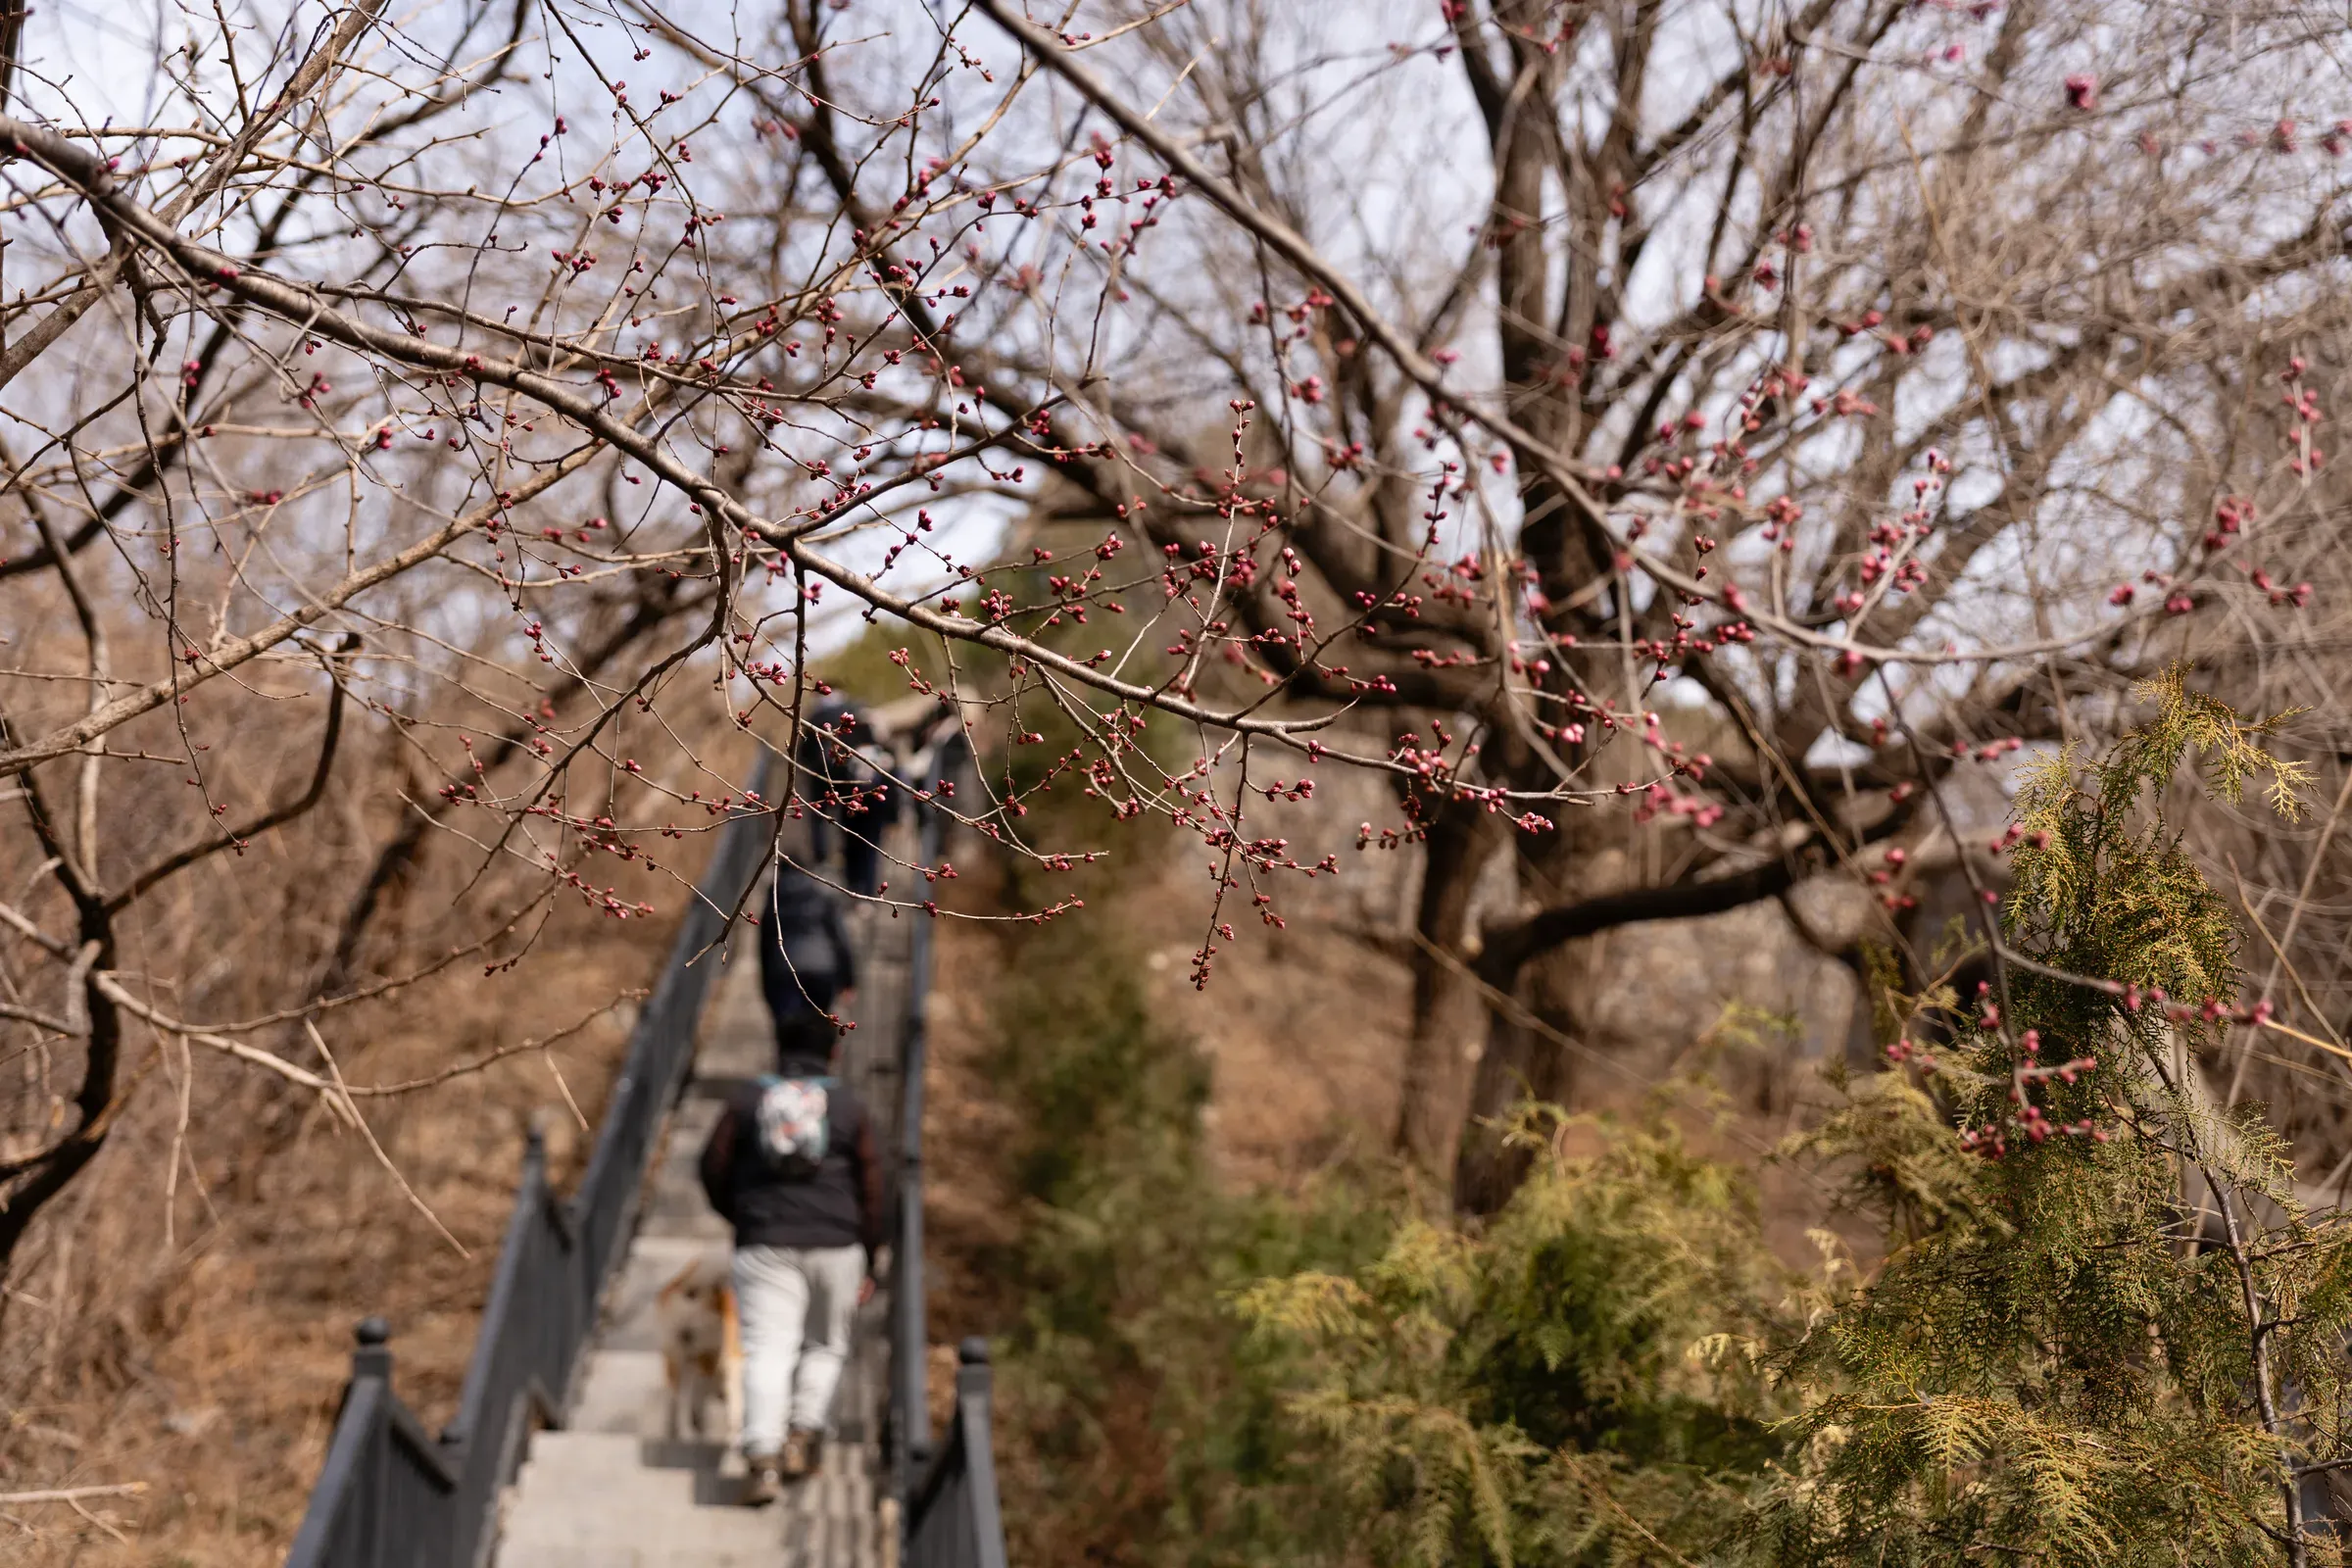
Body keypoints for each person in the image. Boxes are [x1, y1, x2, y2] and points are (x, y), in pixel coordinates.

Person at [697, 1040, 882, 1502]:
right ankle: (802, 1434)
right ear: (834, 1056)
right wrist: (871, 1252)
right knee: (825, 1345)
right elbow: (877, 1183)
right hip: (838, 1244)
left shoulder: (746, 1101)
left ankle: (762, 1458)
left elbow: (711, 1166)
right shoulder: (848, 1106)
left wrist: (745, 1216)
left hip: (764, 1244)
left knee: (765, 1349)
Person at [796, 696, 896, 896]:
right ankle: (862, 889)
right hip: (856, 803)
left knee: (851, 845)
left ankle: (840, 873)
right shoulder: (876, 747)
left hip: (848, 800)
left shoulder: (819, 718)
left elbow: (804, 754)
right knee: (865, 849)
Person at [758, 864, 857, 1060]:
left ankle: (788, 1073)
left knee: (786, 1029)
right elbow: (841, 940)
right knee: (817, 1027)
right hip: (822, 969)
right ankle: (817, 1072)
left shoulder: (774, 902)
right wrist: (848, 979)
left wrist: (767, 988)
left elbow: (765, 947)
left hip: (784, 971)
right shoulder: (821, 896)